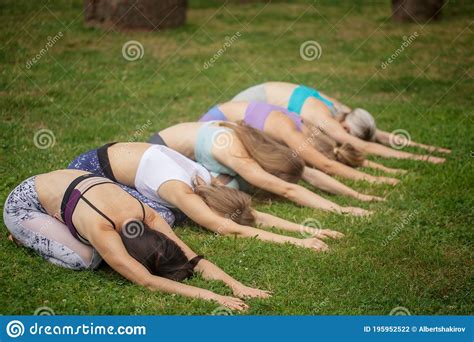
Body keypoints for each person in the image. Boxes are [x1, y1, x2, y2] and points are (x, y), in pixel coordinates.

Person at [3, 169, 271, 310]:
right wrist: (212, 296)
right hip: (24, 205)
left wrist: (237, 285)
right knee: (88, 259)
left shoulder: (147, 214)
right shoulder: (102, 230)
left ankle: (53, 225)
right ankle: (24, 235)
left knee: (98, 249)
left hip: (59, 188)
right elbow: (147, 281)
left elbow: (194, 258)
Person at [68, 142, 343, 251]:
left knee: (170, 214)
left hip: (120, 162)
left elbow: (252, 216)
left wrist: (304, 229)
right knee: (162, 218)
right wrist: (298, 243)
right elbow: (232, 230)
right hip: (85, 172)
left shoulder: (206, 180)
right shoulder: (183, 192)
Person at [148, 121, 371, 216]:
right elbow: (287, 190)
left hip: (187, 155)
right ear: (269, 169)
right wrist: (341, 210)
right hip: (156, 155)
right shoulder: (240, 158)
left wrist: (356, 195)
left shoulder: (259, 145)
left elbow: (307, 174)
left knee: (237, 185)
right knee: (233, 188)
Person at [199, 101, 406, 200]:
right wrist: (376, 180)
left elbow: (312, 172)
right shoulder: (291, 132)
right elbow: (324, 166)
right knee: (235, 186)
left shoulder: (303, 127)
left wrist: (358, 194)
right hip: (211, 131)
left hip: (227, 129)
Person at [232, 82, 449, 163]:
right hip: (239, 111)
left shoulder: (342, 110)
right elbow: (363, 145)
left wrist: (429, 149)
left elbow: (376, 134)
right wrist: (422, 158)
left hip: (252, 98)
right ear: (345, 128)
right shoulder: (326, 118)